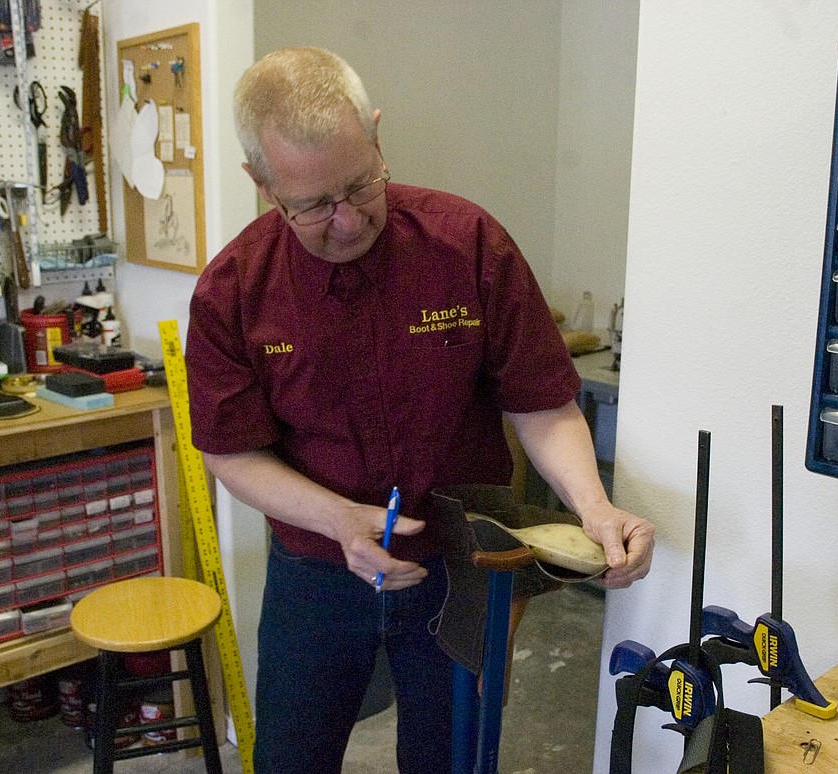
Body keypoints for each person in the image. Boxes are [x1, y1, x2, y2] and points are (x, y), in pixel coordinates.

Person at [184, 46, 655, 774]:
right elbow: (230, 451)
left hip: (458, 564)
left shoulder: (467, 244)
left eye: (361, 183)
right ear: (260, 181)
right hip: (317, 570)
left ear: (375, 132)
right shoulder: (233, 291)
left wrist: (592, 506)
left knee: (454, 759)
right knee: (290, 758)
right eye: (311, 205)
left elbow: (542, 403)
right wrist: (338, 519)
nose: (345, 221)